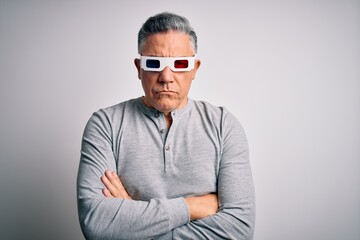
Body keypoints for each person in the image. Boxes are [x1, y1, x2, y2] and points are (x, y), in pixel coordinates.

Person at [77, 12, 255, 239]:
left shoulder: (224, 126)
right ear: (138, 68)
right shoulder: (105, 125)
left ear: (195, 68)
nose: (166, 77)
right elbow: (96, 224)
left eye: (180, 64)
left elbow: (239, 230)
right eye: (154, 63)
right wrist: (194, 206)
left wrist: (132, 223)